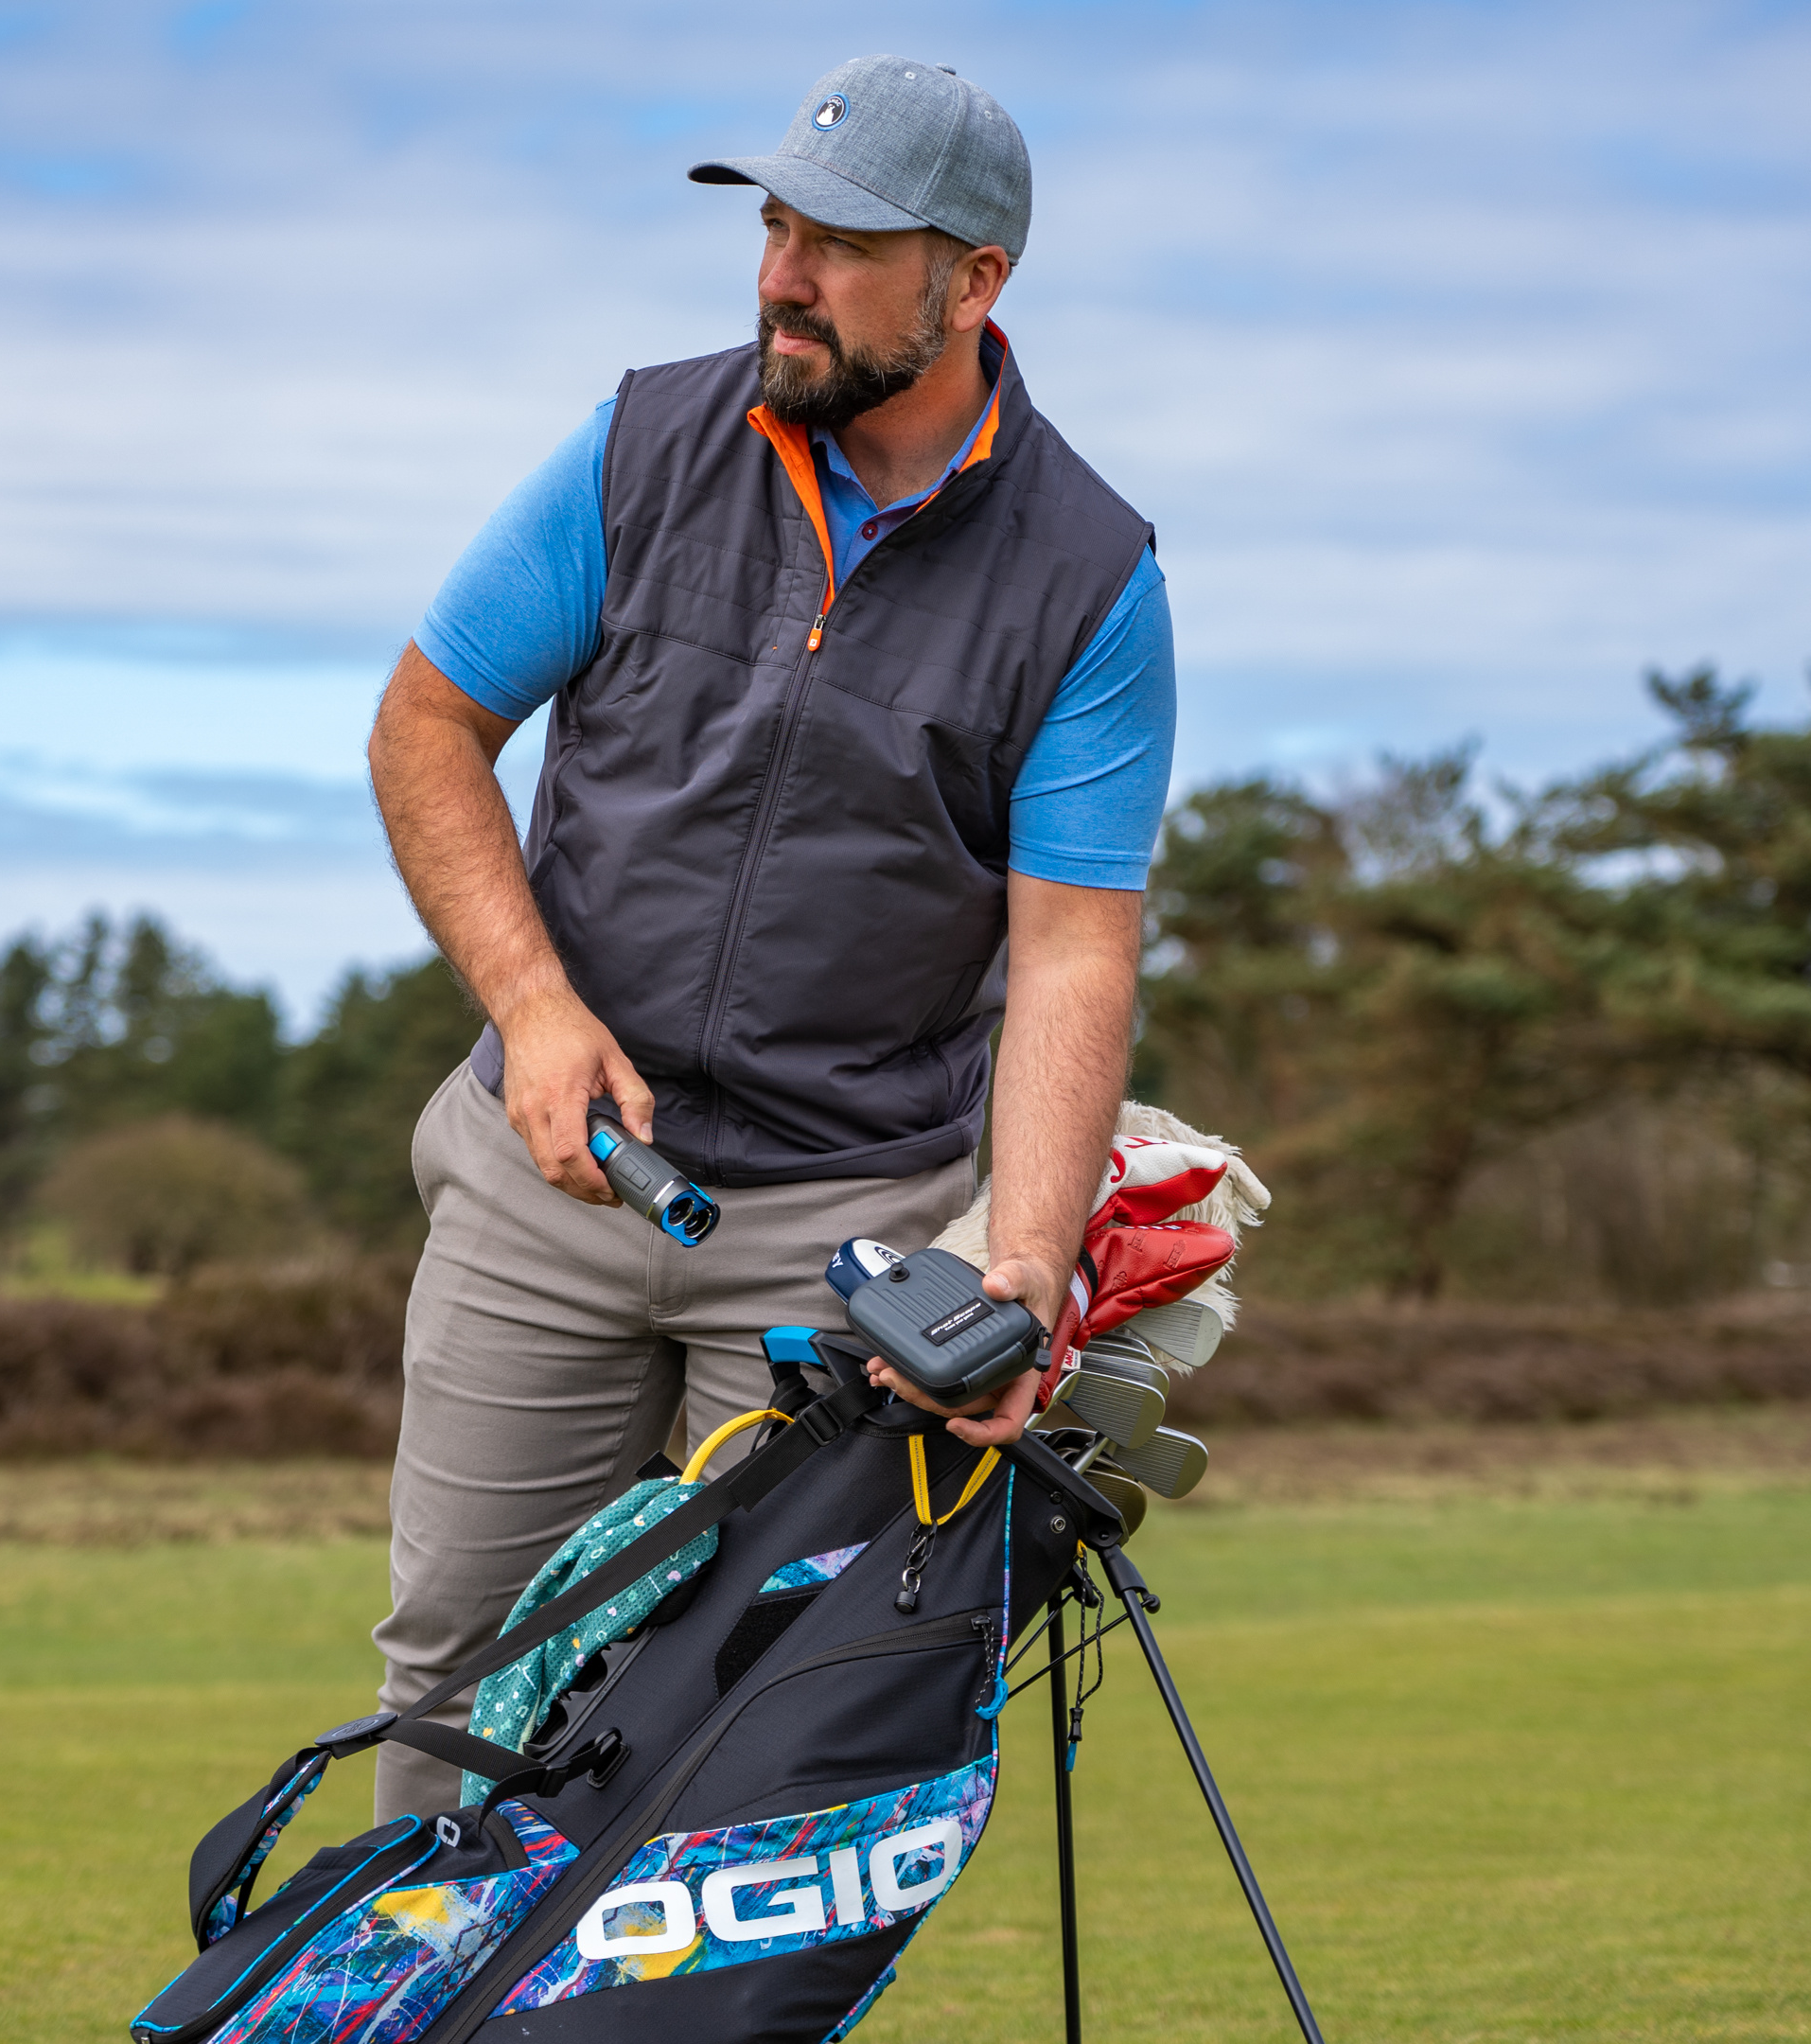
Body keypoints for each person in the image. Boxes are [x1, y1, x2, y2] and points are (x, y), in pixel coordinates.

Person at [362, 54, 1175, 1821]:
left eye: (843, 245)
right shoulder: (642, 443)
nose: (781, 278)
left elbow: (1072, 953)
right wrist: (537, 1006)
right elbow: (425, 724)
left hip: (841, 1237)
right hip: (550, 1183)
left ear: (975, 282)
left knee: (762, 1723)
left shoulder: (1092, 576)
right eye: (777, 227)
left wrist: (1023, 1261)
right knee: (462, 1677)